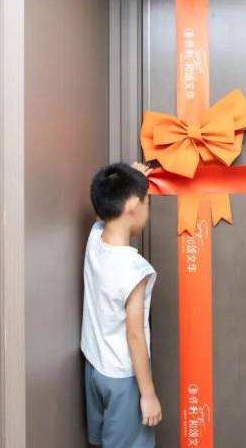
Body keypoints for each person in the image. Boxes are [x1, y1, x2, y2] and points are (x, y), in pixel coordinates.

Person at [80, 161, 162, 448]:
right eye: (147, 201)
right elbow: (135, 335)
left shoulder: (95, 238)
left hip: (94, 367)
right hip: (122, 379)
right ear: (133, 205)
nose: (148, 209)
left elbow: (104, 209)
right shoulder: (133, 270)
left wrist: (127, 176)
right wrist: (148, 394)